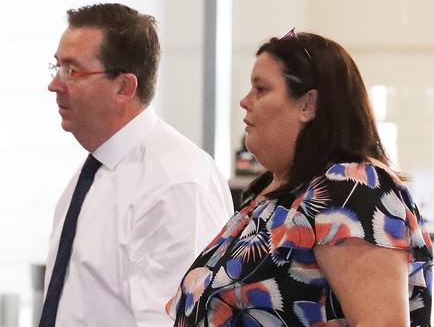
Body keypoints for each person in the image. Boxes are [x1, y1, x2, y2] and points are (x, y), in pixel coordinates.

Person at [167, 29, 433, 326]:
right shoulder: (278, 195)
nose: (245, 101)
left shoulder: (349, 188)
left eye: (261, 89)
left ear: (307, 105)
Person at [41, 3, 233, 327]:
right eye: (56, 67)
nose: (55, 85)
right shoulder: (94, 172)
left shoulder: (177, 183)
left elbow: (174, 321)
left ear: (123, 87)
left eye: (72, 71)